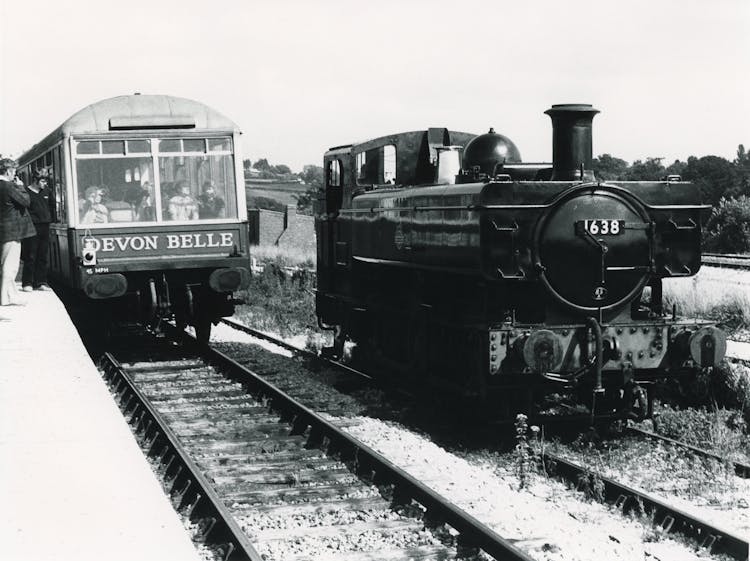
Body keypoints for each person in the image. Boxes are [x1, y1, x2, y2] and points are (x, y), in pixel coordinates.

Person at [0, 158, 36, 306]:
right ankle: (6, 298)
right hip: (12, 231)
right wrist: (21, 186)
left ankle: (8, 295)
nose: (14, 174)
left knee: (4, 264)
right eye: (14, 171)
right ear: (8, 171)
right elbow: (26, 201)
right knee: (10, 265)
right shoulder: (8, 186)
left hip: (3, 230)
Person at [21, 172, 53, 291]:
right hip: (32, 227)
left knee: (43, 255)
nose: (45, 184)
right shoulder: (26, 192)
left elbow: (52, 206)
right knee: (31, 255)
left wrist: (50, 220)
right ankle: (27, 283)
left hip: (45, 226)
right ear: (35, 180)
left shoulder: (47, 192)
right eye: (43, 181)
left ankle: (41, 282)